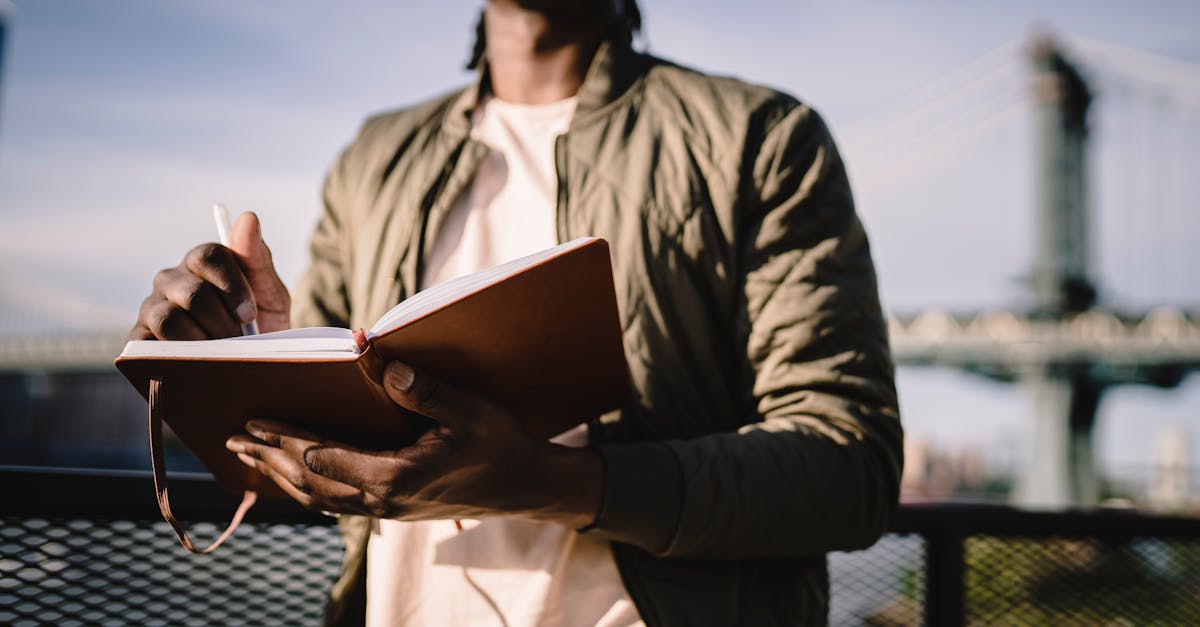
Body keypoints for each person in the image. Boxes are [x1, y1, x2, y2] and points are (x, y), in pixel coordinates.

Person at [130, 0, 903, 624]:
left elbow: (850, 465)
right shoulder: (374, 156)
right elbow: (307, 463)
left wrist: (543, 480)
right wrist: (246, 357)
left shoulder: (760, 139)